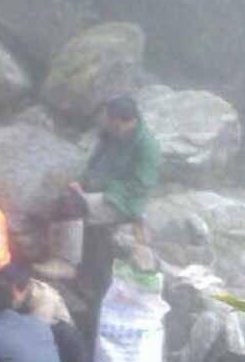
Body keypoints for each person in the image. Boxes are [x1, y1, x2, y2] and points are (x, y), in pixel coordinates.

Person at [34, 96, 162, 284]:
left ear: (131, 121)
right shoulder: (110, 134)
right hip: (101, 191)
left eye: (116, 124)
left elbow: (140, 186)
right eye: (110, 122)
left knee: (73, 205)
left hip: (123, 201)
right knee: (62, 199)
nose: (112, 127)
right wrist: (81, 183)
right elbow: (94, 165)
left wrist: (102, 186)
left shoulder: (147, 147)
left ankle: (67, 264)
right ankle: (54, 257)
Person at [0, 262, 86, 362]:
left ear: (13, 288)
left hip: (62, 348)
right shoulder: (22, 290)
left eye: (4, 290)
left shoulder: (44, 300)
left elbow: (32, 338)